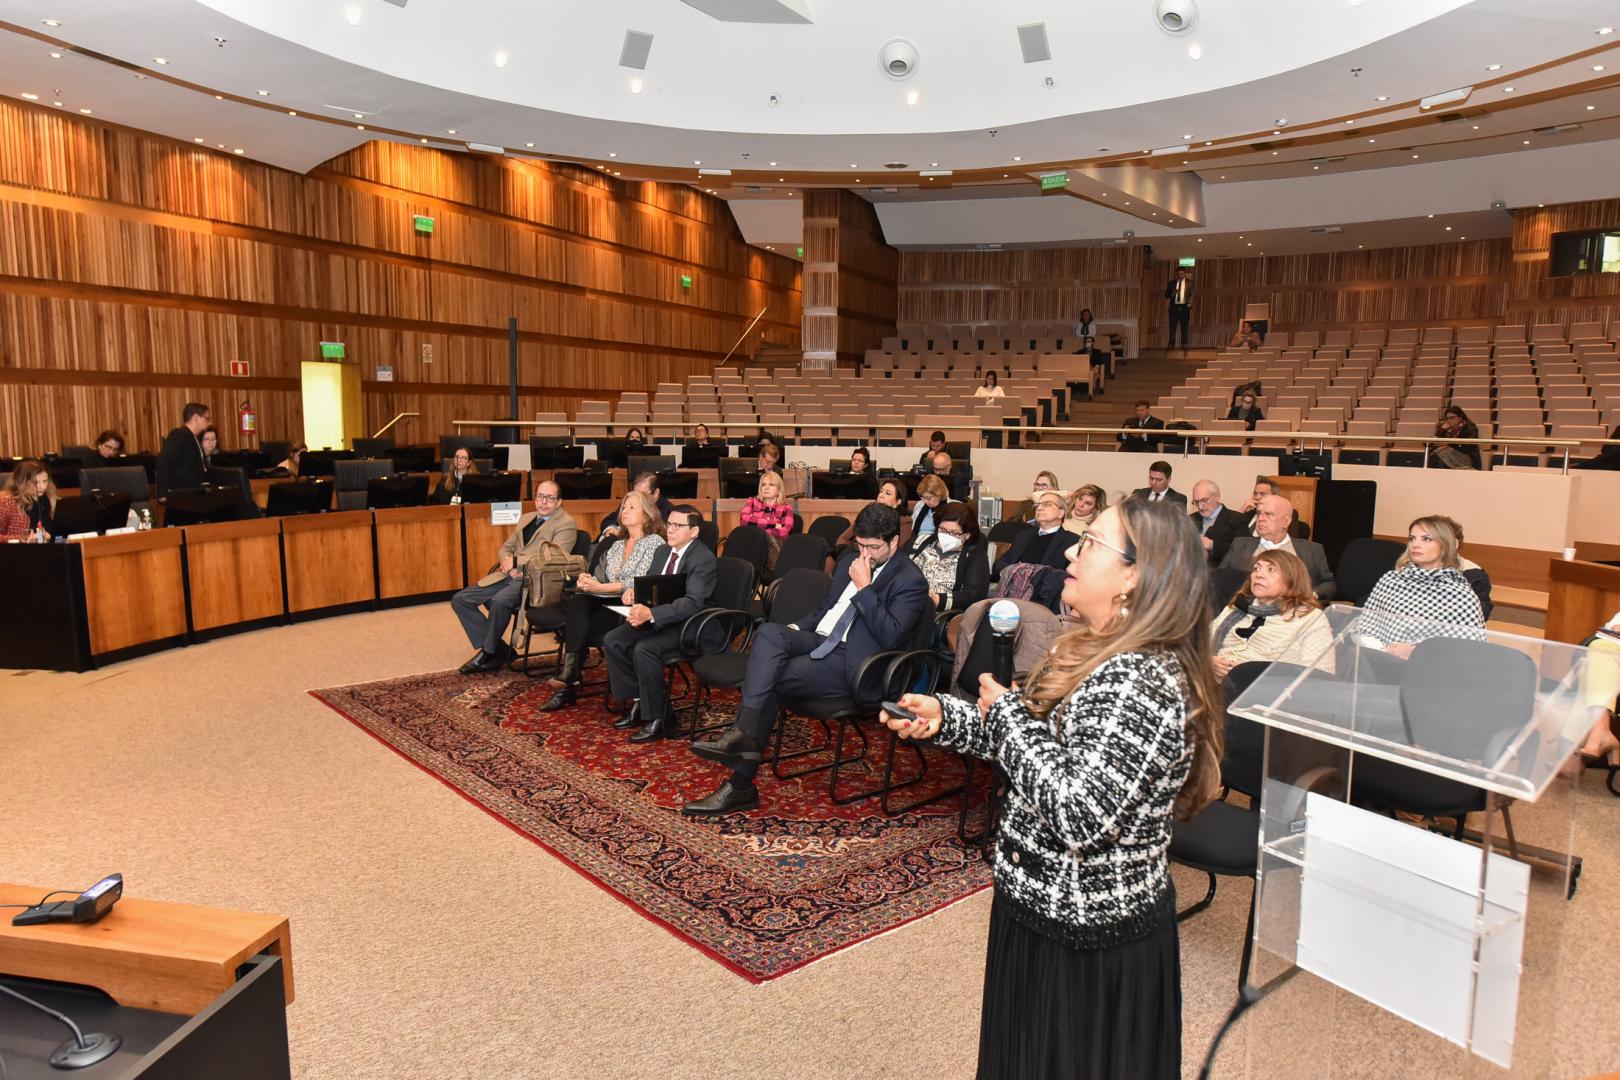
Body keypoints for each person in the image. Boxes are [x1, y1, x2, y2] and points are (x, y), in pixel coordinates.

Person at [881, 495, 1224, 1079]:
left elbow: (1078, 810)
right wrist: (948, 717)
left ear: (1133, 578)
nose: (1071, 548)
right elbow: (1045, 749)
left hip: (1087, 935)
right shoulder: (1093, 649)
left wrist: (1010, 715)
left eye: (1092, 542)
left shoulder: (1140, 675)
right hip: (1043, 908)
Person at [684, 502, 930, 816]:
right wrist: (795, 628)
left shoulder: (910, 580)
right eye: (860, 545)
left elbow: (892, 637)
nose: (865, 553)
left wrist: (865, 588)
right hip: (819, 638)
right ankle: (744, 732)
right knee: (770, 634)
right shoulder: (849, 561)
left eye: (874, 547)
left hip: (855, 661)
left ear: (894, 542)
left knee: (769, 676)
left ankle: (740, 782)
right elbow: (826, 609)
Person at [602, 505, 718, 743]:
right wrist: (635, 595)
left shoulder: (703, 559)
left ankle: (657, 719)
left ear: (694, 531)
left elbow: (692, 603)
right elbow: (653, 588)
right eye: (669, 524)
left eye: (678, 526)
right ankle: (638, 702)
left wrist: (652, 615)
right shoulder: (664, 551)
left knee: (645, 648)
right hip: (663, 616)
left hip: (691, 624)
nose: (671, 530)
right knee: (613, 640)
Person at [540, 490, 664, 707]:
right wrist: (588, 581)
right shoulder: (616, 544)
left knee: (577, 623)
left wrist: (600, 586)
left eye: (632, 507)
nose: (625, 511)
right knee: (578, 600)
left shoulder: (654, 543)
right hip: (604, 601)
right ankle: (570, 674)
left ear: (647, 514)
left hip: (629, 606)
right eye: (624, 506)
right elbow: (600, 576)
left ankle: (570, 678)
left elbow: (639, 582)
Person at [451, 480, 579, 674]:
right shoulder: (527, 518)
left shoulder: (566, 524)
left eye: (550, 498)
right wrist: (507, 562)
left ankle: (487, 651)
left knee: (499, 602)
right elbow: (506, 547)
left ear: (559, 502)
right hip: (509, 575)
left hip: (535, 582)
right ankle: (501, 649)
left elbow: (554, 558)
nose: (543, 502)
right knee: (460, 600)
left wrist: (517, 561)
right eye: (540, 496)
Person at [1356, 515, 1486, 657]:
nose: (1415, 544)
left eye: (1426, 539)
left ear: (1445, 545)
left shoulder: (1461, 595)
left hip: (1429, 672)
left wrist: (1415, 653)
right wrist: (1383, 651)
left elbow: (1466, 651)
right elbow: (1366, 625)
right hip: (1377, 662)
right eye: (1412, 538)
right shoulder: (1391, 580)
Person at [1210, 550, 1335, 677]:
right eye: (1256, 568)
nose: (1259, 574)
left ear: (1292, 579)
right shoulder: (1236, 607)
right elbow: (1198, 646)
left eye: (1270, 570)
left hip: (1267, 690)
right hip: (1211, 685)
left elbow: (1319, 676)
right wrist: (1209, 662)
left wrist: (1249, 673)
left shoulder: (1310, 618)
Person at [1220, 495, 1336, 600]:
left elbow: (1328, 584)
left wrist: (1310, 595)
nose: (1260, 518)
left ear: (1286, 521)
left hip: (1294, 612)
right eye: (1259, 513)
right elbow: (1219, 579)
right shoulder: (1240, 545)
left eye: (1268, 514)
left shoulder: (1312, 550)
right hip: (1248, 609)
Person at [907, 501, 989, 613]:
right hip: (905, 602)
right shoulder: (919, 542)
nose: (947, 536)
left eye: (954, 533)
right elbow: (897, 568)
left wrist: (938, 600)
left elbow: (974, 595)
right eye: (943, 530)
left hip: (936, 615)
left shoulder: (975, 556)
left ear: (967, 534)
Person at [992, 489, 1072, 578]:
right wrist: (1014, 573)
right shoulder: (1024, 535)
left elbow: (1066, 577)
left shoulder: (1071, 542)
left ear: (1061, 513)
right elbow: (998, 565)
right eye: (1037, 505)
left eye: (1047, 504)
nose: (1040, 508)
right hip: (1012, 588)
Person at [835, 478, 910, 553]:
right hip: (852, 552)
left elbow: (897, 550)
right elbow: (843, 538)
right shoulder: (867, 513)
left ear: (898, 502)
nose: (881, 495)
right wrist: (844, 553)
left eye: (888, 493)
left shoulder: (904, 520)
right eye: (881, 491)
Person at [596, 471, 674, 540]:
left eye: (642, 494)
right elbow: (609, 520)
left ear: (656, 493)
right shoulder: (629, 503)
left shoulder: (668, 510)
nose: (637, 497)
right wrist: (610, 529)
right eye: (635, 493)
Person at [740, 469, 795, 566]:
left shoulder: (786, 508)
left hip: (776, 546)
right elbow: (744, 520)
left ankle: (775, 569)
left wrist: (758, 528)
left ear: (779, 490)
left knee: (769, 538)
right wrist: (773, 524)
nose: (766, 487)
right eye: (763, 485)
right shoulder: (752, 502)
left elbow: (785, 530)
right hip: (753, 545)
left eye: (771, 485)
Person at [156, 402, 212, 494]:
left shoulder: (194, 437)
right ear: (196, 418)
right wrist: (164, 491)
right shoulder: (180, 434)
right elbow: (163, 461)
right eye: (207, 418)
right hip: (184, 495)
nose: (209, 422)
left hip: (195, 494)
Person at [1189, 479, 1246, 563]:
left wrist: (1212, 545)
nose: (1200, 507)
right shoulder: (1189, 519)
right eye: (1196, 502)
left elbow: (1242, 553)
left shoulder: (1237, 519)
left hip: (1220, 572)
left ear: (1217, 497)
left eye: (1204, 500)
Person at [0, 459, 57, 541]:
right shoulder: (7, 502)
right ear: (22, 482)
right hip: (19, 551)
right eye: (36, 483)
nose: (42, 487)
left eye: (45, 481)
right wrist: (24, 539)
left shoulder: (50, 498)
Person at [1430, 405, 1481, 470]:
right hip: (1446, 456)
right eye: (1447, 418)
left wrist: (1448, 444)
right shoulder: (1444, 428)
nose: (1449, 420)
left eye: (1452, 418)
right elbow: (1429, 444)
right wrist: (1441, 430)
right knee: (1439, 455)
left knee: (1441, 453)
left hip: (1466, 458)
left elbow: (1467, 447)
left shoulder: (1470, 429)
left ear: (1460, 417)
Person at [908, 474, 949, 548]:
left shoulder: (952, 507)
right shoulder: (920, 506)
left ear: (939, 494)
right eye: (922, 497)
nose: (925, 501)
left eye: (928, 498)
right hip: (918, 544)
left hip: (940, 547)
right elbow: (913, 530)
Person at [1165, 266, 1194, 350]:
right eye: (1179, 274)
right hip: (1174, 307)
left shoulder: (1190, 283)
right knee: (1172, 326)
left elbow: (1192, 294)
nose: (1180, 275)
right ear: (1176, 274)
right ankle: (1171, 344)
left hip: (1185, 307)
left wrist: (1189, 304)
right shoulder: (1171, 283)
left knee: (1184, 326)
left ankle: (1184, 344)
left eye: (1182, 274)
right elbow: (1166, 295)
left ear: (1184, 274)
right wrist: (1172, 293)